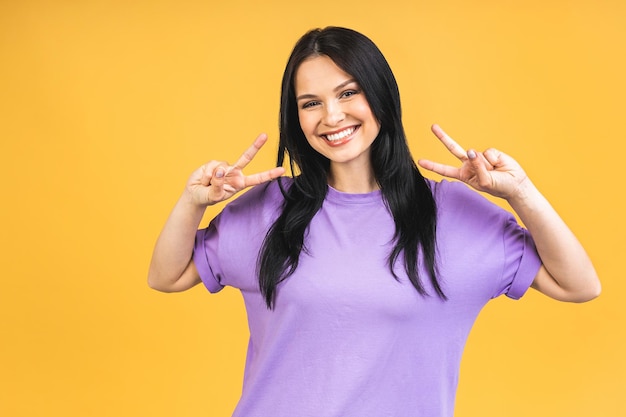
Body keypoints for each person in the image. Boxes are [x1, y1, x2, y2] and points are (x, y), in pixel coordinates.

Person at [148, 27, 600, 417]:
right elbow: (167, 276)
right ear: (296, 117)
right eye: (311, 103)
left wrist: (521, 194)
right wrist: (193, 203)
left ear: (380, 94)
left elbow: (578, 285)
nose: (332, 116)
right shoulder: (269, 208)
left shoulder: (453, 215)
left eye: (348, 93)